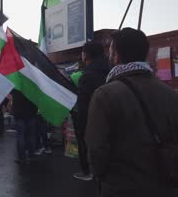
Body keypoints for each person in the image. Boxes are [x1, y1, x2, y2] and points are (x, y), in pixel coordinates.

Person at [86, 28, 178, 197]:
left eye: (111, 52)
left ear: (116, 56)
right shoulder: (170, 93)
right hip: (166, 186)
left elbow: (97, 150)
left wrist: (101, 177)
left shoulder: (105, 95)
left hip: (121, 188)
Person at [73, 41, 109, 181]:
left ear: (86, 55)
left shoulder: (86, 76)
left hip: (91, 120)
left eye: (82, 52)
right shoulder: (110, 70)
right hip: (110, 120)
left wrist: (80, 127)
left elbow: (84, 105)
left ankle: (87, 172)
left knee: (87, 146)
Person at [11, 90, 38, 164]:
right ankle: (31, 155)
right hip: (31, 113)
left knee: (20, 136)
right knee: (31, 136)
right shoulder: (32, 85)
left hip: (19, 114)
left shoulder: (16, 86)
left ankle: (22, 158)